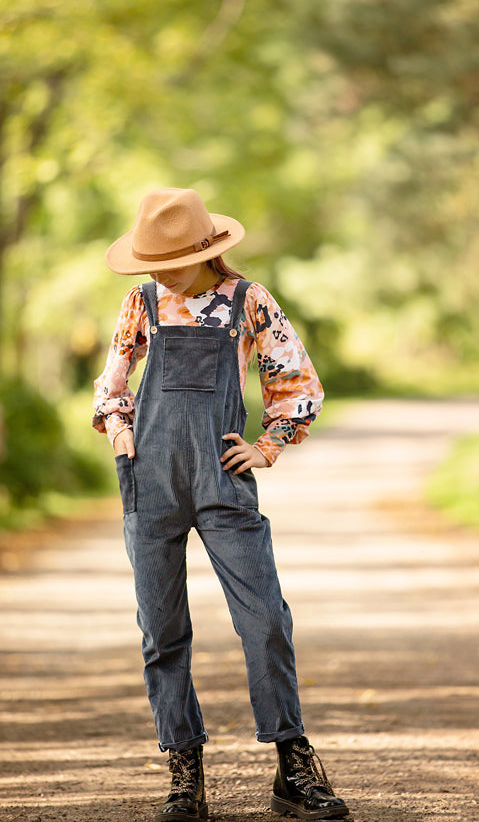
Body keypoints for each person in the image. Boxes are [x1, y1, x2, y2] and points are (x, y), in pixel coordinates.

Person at [93, 188, 349, 822]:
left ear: (205, 250)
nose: (155, 270)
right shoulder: (142, 302)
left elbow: (297, 382)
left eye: (168, 258)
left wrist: (268, 446)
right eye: (149, 259)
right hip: (148, 481)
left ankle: (293, 763)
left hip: (222, 482)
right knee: (163, 632)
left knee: (265, 618)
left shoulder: (247, 301)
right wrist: (120, 429)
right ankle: (184, 771)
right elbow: (112, 384)